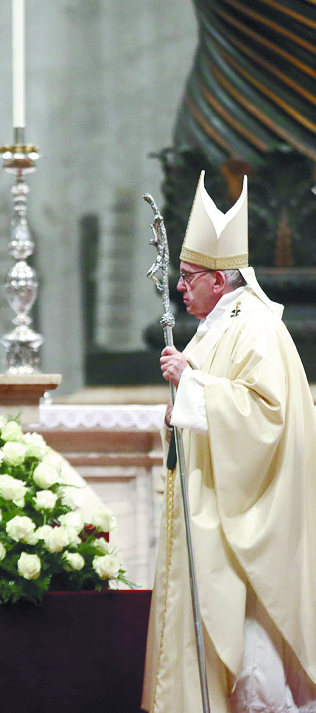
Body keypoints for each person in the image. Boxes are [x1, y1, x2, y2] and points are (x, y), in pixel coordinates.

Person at [142, 171, 316, 713]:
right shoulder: (219, 325)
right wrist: (182, 405)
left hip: (243, 518)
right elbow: (217, 401)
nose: (180, 287)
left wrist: (192, 387)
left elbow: (267, 415)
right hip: (211, 507)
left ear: (219, 281)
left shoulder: (255, 326)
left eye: (189, 277)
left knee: (249, 644)